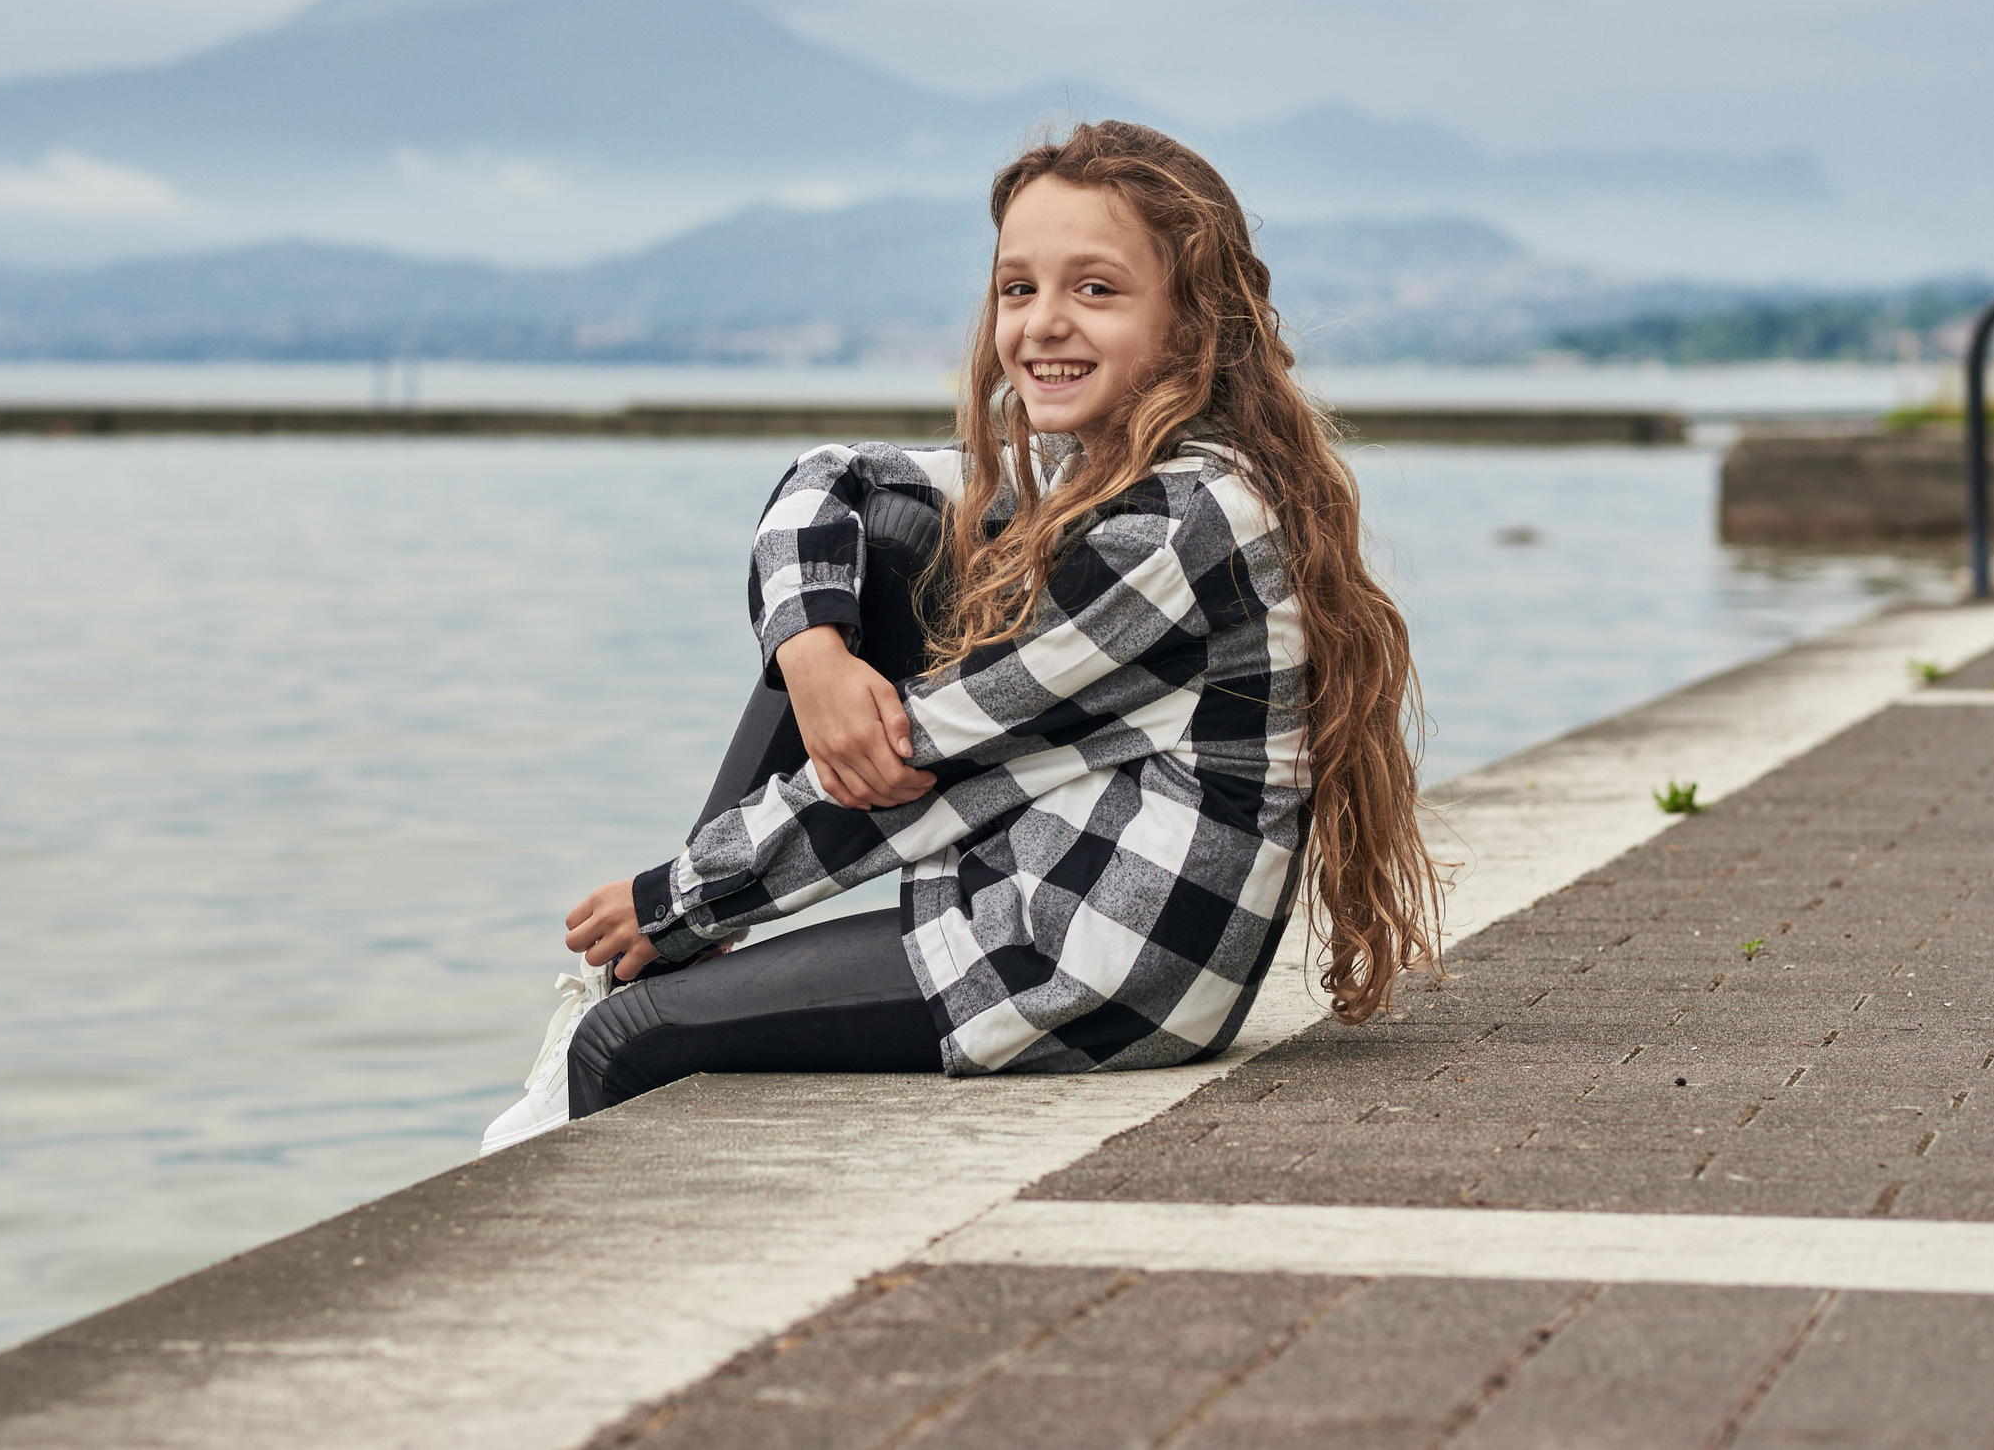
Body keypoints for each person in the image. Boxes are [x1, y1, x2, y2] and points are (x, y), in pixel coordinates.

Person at [481, 120, 1442, 1154]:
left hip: (1090, 958)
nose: (1042, 324)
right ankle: (662, 949)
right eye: (1018, 288)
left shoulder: (1174, 528)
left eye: (1096, 289)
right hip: (1028, 880)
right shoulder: (1091, 467)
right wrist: (812, 656)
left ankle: (629, 1003)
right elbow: (836, 477)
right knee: (877, 540)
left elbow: (911, 773)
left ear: (1190, 321)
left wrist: (670, 900)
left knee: (625, 1038)